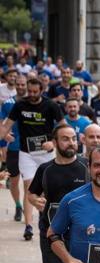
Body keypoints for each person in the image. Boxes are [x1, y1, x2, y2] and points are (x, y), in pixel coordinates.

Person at [27, 123, 90, 263]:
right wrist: (36, 201)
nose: (70, 143)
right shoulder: (45, 169)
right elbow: (32, 194)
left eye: (73, 138)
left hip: (82, 235)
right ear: (55, 143)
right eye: (65, 139)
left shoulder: (86, 166)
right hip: (52, 233)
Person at [0, 77, 64, 240]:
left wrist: (53, 142)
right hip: (26, 153)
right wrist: (4, 135)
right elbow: (6, 125)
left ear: (42, 90)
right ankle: (28, 226)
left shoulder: (51, 105)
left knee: (47, 189)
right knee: (30, 188)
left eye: (36, 92)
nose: (33, 95)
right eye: (30, 91)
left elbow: (64, 126)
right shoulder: (20, 105)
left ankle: (48, 220)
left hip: (46, 153)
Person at [0, 73, 27, 222]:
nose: (21, 87)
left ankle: (28, 210)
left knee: (30, 182)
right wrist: (4, 135)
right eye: (19, 84)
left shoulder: (33, 102)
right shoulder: (8, 103)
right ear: (15, 85)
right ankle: (18, 206)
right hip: (14, 148)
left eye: (24, 84)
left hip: (31, 149)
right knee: (15, 181)